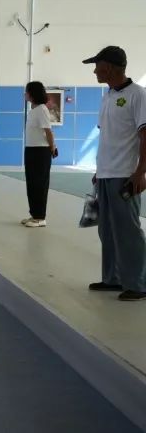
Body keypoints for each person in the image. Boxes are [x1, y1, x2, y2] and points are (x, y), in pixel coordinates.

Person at [84, 46, 146, 301]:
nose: (94, 72)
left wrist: (140, 173)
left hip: (125, 174)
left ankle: (139, 284)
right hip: (106, 173)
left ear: (108, 67)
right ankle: (114, 278)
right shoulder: (107, 96)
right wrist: (98, 170)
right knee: (107, 229)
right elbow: (107, 137)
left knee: (127, 231)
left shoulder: (138, 95)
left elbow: (145, 136)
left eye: (97, 66)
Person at [22, 81, 58, 228]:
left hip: (41, 151)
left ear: (32, 93)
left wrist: (52, 148)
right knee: (31, 183)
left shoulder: (42, 109)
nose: (25, 94)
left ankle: (40, 217)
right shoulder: (34, 110)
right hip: (31, 149)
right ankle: (34, 214)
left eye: (27, 91)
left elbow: (48, 131)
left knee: (40, 184)